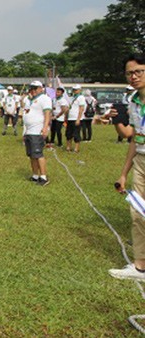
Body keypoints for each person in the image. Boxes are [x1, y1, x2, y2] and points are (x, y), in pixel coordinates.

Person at [110, 53, 145, 280]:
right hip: (141, 160)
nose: (133, 76)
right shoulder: (133, 101)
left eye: (139, 71)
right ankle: (140, 266)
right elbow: (132, 137)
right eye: (129, 73)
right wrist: (124, 173)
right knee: (138, 212)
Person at [23, 81, 52, 186]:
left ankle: (43, 177)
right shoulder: (28, 99)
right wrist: (25, 132)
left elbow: (47, 113)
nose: (33, 90)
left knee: (38, 154)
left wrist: (45, 127)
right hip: (29, 131)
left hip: (37, 130)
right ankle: (35, 175)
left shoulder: (45, 98)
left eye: (35, 88)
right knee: (31, 155)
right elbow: (26, 113)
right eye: (32, 88)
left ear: (41, 88)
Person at [65, 84, 85, 153]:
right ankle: (68, 147)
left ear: (80, 90)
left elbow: (81, 109)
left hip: (76, 118)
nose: (74, 91)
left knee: (76, 134)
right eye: (73, 90)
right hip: (70, 118)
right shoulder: (71, 98)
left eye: (76, 90)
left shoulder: (81, 97)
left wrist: (78, 119)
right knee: (68, 133)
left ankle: (76, 148)